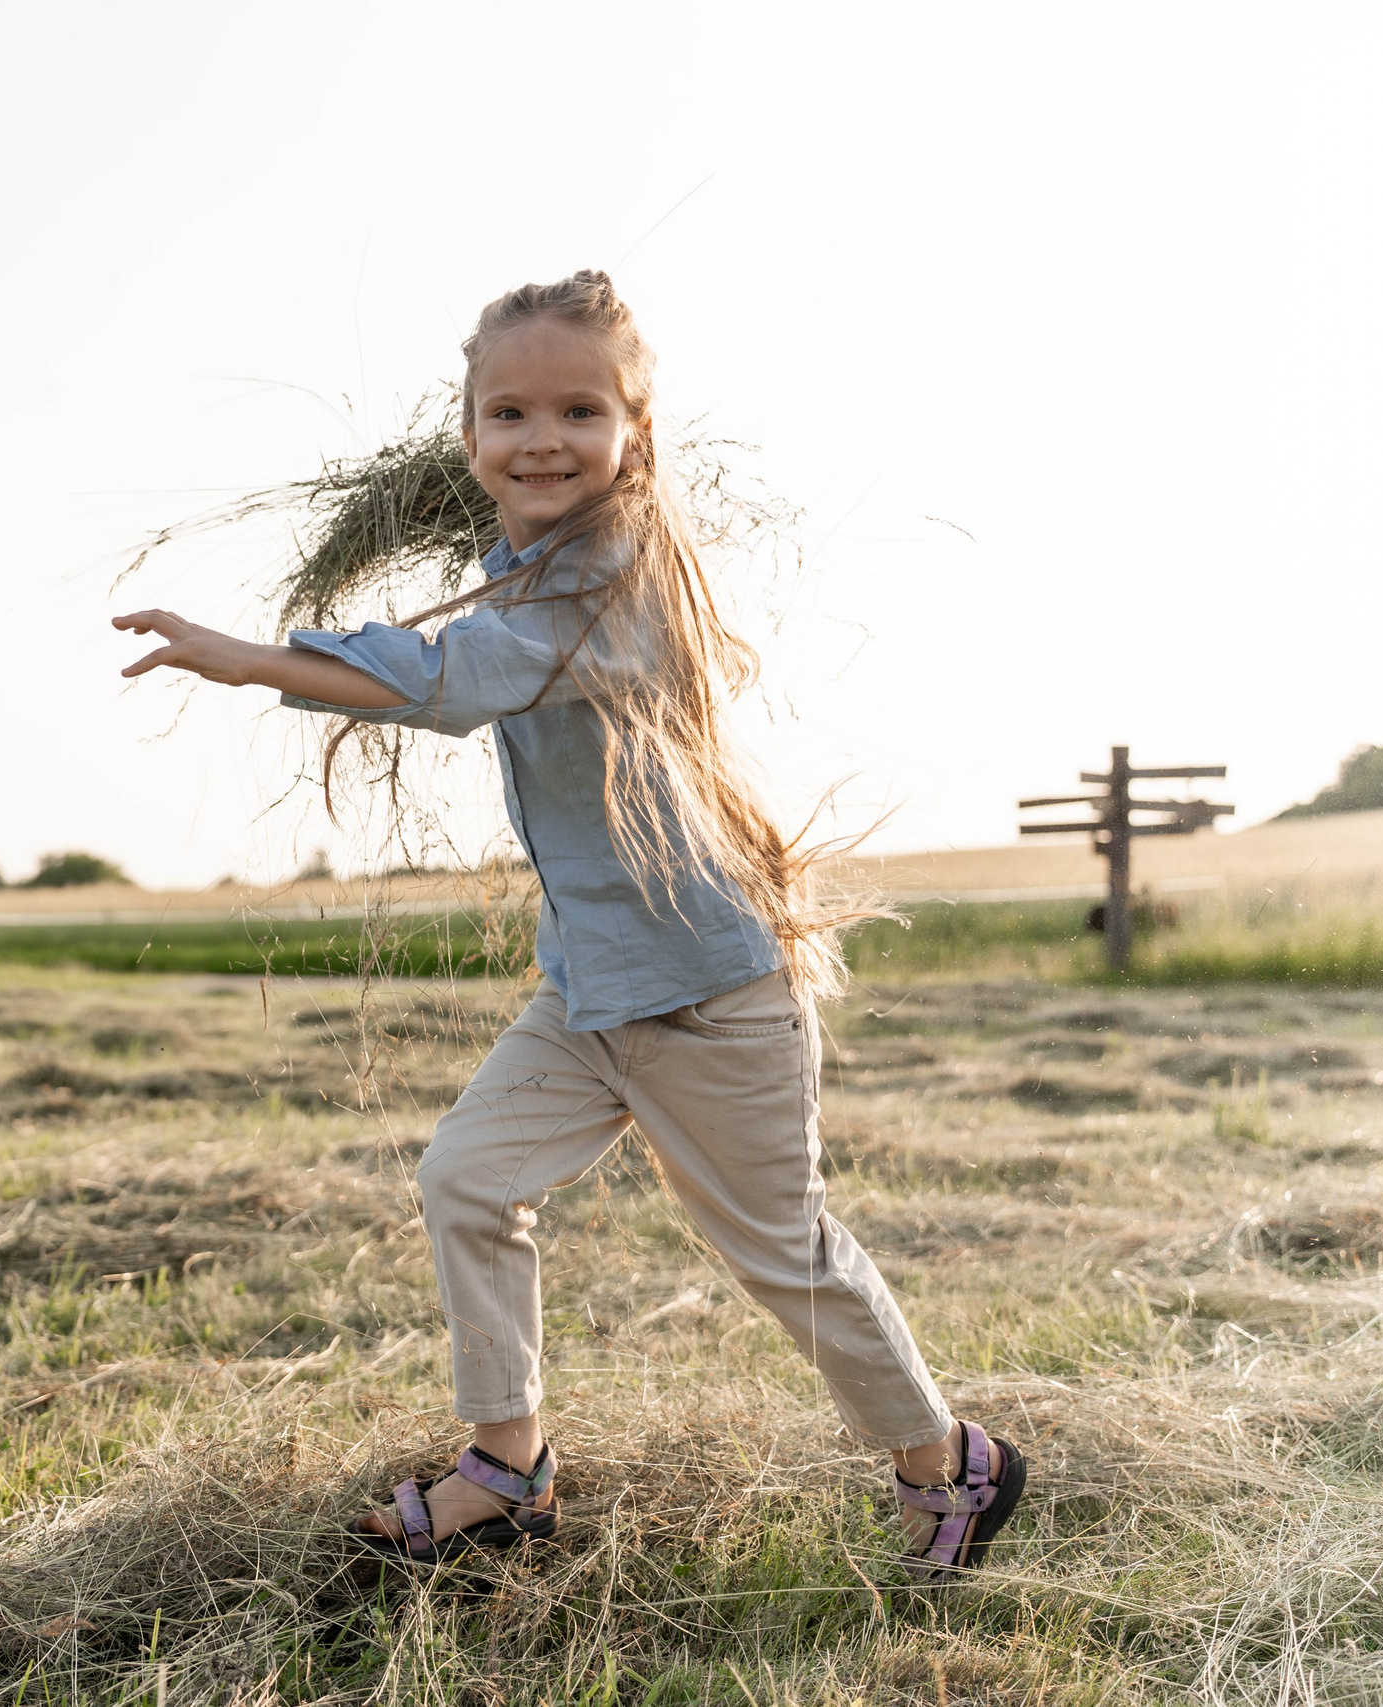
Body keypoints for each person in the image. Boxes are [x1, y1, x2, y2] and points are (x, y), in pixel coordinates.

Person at [111, 272, 1026, 1579]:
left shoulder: (606, 592)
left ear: (633, 436)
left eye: (580, 410)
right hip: (588, 992)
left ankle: (952, 1467)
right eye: (510, 412)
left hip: (707, 994)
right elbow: (463, 650)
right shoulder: (525, 573)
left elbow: (443, 681)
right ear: (469, 439)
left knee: (784, 1258)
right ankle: (509, 1465)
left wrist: (246, 656)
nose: (544, 439)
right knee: (468, 1179)